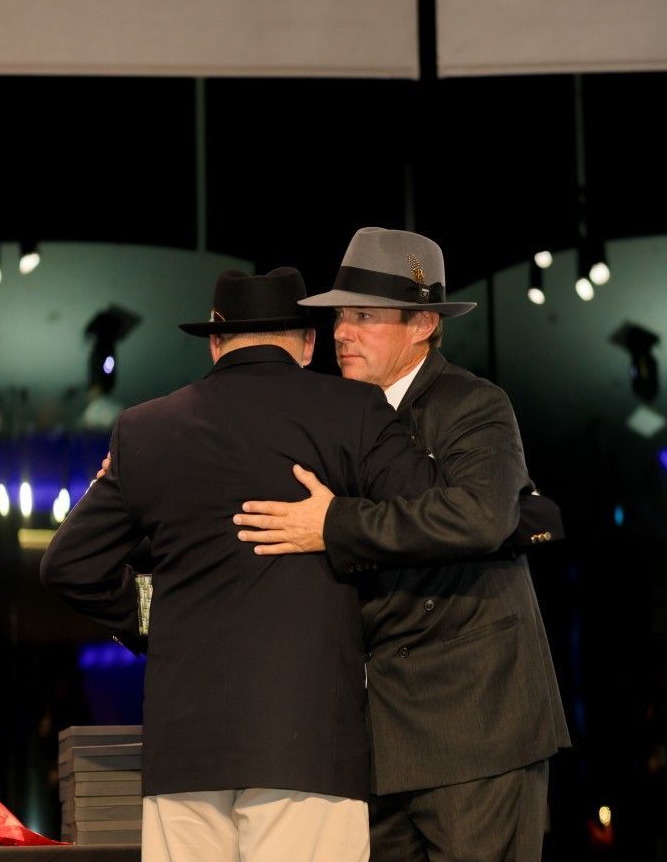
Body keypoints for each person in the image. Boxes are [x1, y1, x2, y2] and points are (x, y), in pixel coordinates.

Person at [40, 267, 436, 862]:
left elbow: (69, 564)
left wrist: (149, 614)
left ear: (215, 343)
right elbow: (431, 516)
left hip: (184, 756)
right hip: (309, 748)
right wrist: (339, 524)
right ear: (306, 344)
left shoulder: (146, 430)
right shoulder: (353, 410)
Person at [235, 228, 571, 862]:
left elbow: (478, 516)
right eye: (338, 317)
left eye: (364, 316)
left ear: (422, 325)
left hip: (477, 729)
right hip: (376, 739)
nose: (342, 333)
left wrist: (334, 526)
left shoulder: (473, 404)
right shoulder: (334, 419)